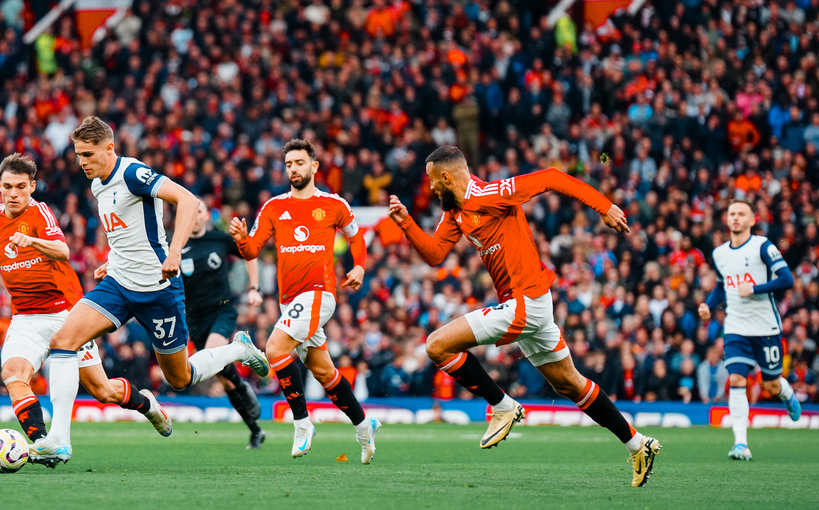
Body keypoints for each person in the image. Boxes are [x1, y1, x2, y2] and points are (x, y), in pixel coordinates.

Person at [388, 146, 660, 487]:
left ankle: (502, 405)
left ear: (446, 178)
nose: (429, 188)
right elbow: (434, 254)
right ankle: (638, 444)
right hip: (532, 307)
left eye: (431, 181)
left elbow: (550, 177)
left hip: (526, 302)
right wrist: (406, 223)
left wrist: (604, 207)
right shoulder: (455, 212)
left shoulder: (492, 194)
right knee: (568, 384)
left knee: (437, 345)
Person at [0, 154, 168, 463]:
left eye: (20, 187)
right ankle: (44, 443)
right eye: (7, 187)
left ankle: (147, 405)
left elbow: (64, 250)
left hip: (67, 314)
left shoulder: (40, 213)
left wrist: (31, 240)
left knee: (103, 390)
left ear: (32, 186)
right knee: (13, 373)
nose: (13, 194)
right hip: (26, 317)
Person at [38, 117, 270, 462]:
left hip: (158, 289)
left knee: (180, 378)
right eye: (78, 155)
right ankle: (58, 438)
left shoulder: (132, 173)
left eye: (87, 154)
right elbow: (125, 232)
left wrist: (174, 251)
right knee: (62, 341)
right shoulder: (97, 185)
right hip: (118, 285)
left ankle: (238, 349)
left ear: (109, 148)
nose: (81, 162)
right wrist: (111, 261)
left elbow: (188, 200)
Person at [229, 138, 382, 463]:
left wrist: (359, 266)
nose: (293, 169)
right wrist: (242, 239)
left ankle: (301, 423)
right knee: (324, 372)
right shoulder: (273, 207)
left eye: (299, 163)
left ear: (314, 166)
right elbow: (253, 250)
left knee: (274, 349)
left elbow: (357, 238)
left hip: (320, 293)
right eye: (288, 164)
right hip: (290, 301)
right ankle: (365, 425)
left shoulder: (333, 204)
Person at [698, 199, 801, 461]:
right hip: (735, 327)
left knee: (771, 384)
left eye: (741, 214)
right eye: (732, 213)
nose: (735, 218)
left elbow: (787, 279)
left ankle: (786, 391)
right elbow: (722, 286)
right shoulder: (720, 253)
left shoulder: (762, 246)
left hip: (765, 326)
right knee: (736, 379)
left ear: (752, 219)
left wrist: (754, 288)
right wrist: (709, 306)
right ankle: (741, 443)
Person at [182, 198, 266, 449]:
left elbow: (249, 251)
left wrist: (254, 287)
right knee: (224, 378)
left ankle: (243, 384)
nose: (194, 216)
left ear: (206, 216)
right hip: (194, 319)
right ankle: (255, 429)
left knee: (213, 354)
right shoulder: (176, 245)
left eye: (199, 211)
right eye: (190, 211)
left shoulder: (218, 239)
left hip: (222, 311)